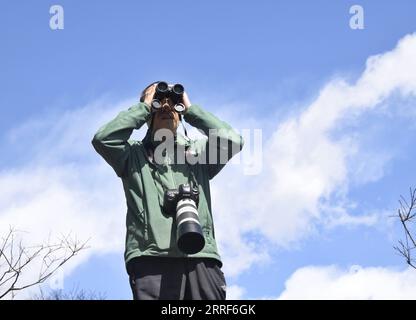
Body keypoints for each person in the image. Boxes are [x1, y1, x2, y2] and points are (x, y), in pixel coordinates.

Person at [92, 81, 244, 300]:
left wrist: (191, 110)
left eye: (173, 103)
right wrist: (143, 107)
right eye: (158, 101)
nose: (166, 107)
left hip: (201, 254)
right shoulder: (133, 155)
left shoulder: (198, 152)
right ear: (147, 114)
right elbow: (103, 139)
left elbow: (234, 141)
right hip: (151, 256)